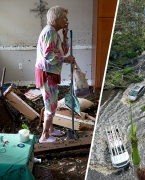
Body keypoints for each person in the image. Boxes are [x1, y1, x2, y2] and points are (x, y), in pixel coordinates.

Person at [35, 6, 75, 143]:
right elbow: (49, 56)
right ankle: (44, 136)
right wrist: (65, 59)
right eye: (64, 17)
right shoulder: (50, 32)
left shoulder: (53, 32)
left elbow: (61, 51)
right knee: (50, 106)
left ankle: (51, 130)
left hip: (50, 73)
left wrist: (65, 38)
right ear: (56, 19)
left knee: (52, 104)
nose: (67, 20)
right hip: (47, 74)